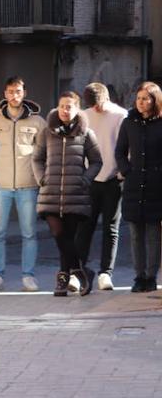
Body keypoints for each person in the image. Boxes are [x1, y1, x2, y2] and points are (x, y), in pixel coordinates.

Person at [33, 92, 102, 296]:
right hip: (50, 193)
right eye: (62, 106)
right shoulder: (46, 132)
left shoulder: (86, 134)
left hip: (75, 194)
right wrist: (41, 179)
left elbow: (97, 161)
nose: (65, 110)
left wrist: (86, 179)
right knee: (58, 234)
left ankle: (63, 278)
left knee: (69, 238)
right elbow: (37, 158)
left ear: (77, 109)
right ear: (58, 107)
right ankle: (81, 272)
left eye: (69, 106)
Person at [0, 77, 47, 292]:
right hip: (0, 186)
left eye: (18, 91)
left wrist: (42, 179)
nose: (14, 95)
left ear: (24, 93)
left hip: (27, 185)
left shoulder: (38, 122)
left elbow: (44, 153)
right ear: (5, 93)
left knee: (29, 233)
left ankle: (28, 276)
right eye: (11, 91)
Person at [76, 82, 128, 291]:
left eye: (99, 104)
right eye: (92, 105)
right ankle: (78, 271)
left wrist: (123, 171)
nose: (96, 109)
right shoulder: (83, 115)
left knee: (111, 228)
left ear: (106, 98)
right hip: (90, 179)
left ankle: (106, 272)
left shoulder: (120, 115)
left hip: (114, 179)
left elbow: (126, 145)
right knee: (84, 227)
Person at [113, 82, 162, 293]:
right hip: (134, 185)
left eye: (146, 98)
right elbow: (120, 152)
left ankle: (151, 277)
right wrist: (126, 170)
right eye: (139, 98)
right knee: (134, 234)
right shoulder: (128, 123)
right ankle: (138, 276)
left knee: (153, 234)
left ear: (155, 101)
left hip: (156, 185)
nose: (141, 102)